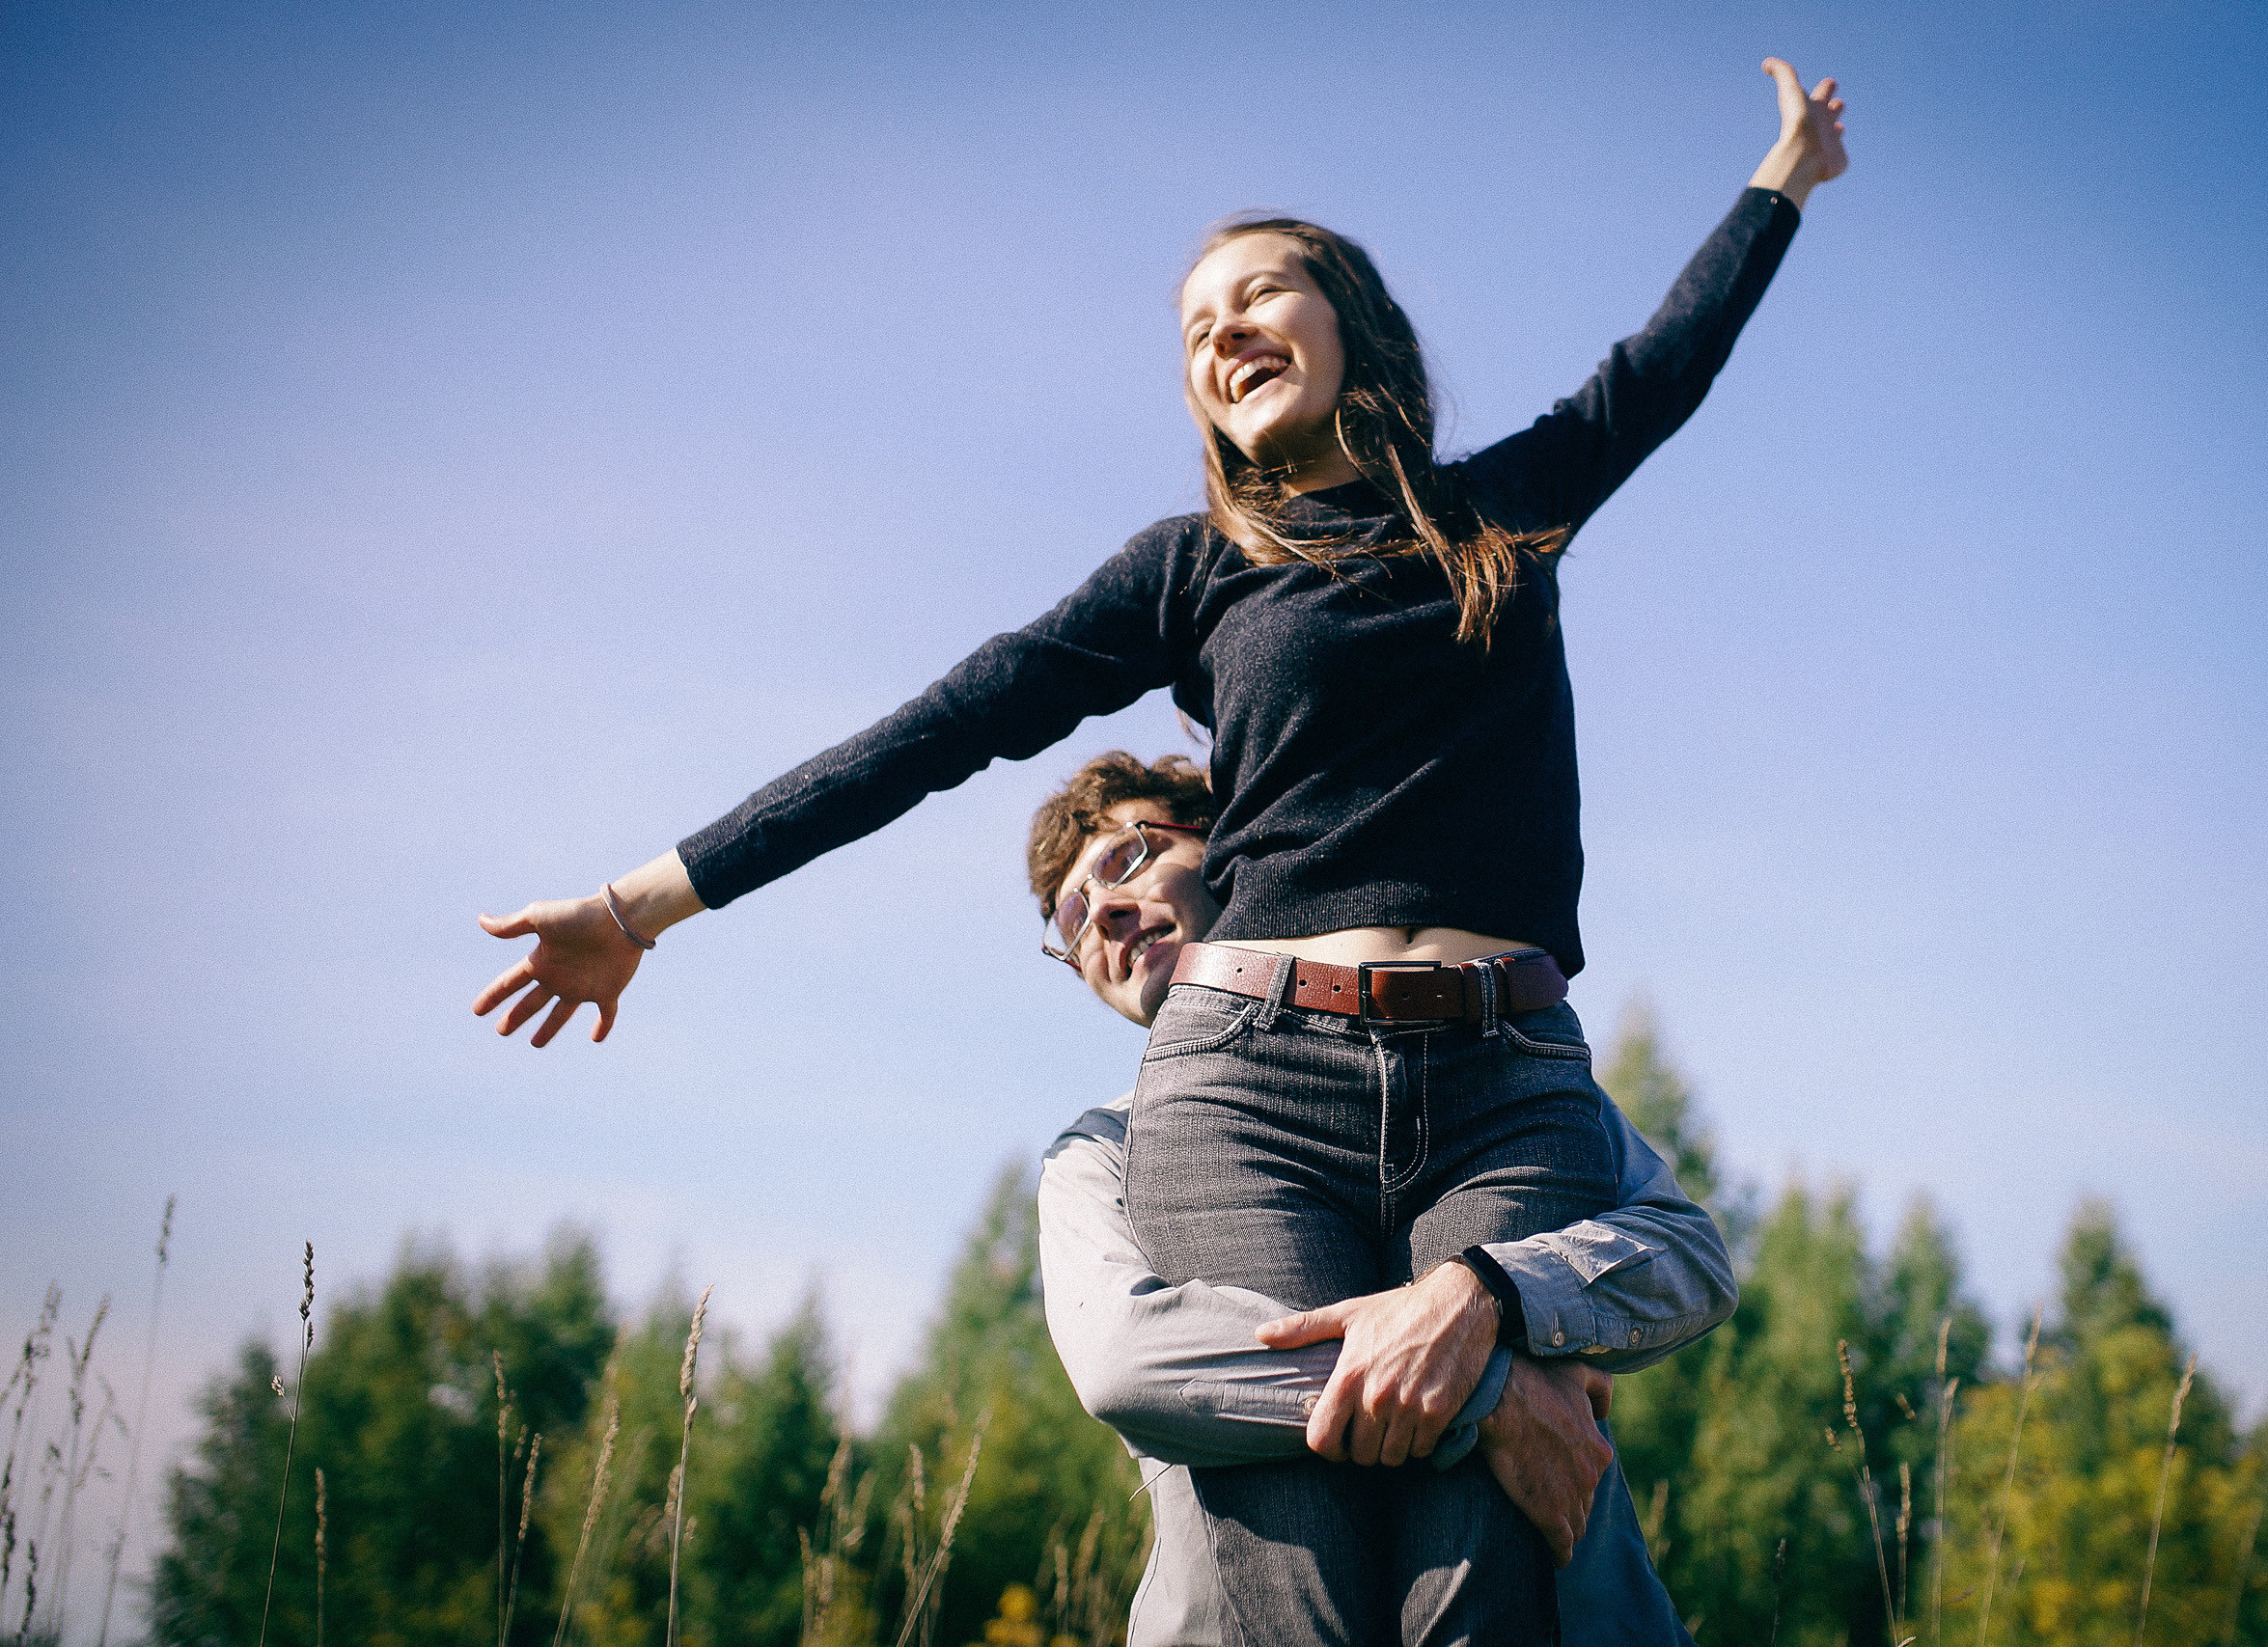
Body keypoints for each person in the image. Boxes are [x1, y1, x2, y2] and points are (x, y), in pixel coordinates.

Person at [475, 59, 1845, 1641]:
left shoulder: (1507, 508)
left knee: (1487, 1565)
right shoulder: (1193, 569)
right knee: (1291, 1556)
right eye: (1198, 330)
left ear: (1353, 325)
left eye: (1260, 295)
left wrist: (1785, 178)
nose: (1225, 334)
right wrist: (645, 904)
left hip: (1510, 1081)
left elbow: (1663, 365)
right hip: (1253, 1083)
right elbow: (936, 730)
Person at [1028, 751, 1737, 1644]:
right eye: (1070, 915)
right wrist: (1487, 1380)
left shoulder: (1493, 1076)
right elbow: (1127, 1359)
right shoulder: (1101, 1152)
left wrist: (1489, 1291)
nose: (1106, 913)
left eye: (1126, 857)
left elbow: (1692, 1257)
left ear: (1234, 839)